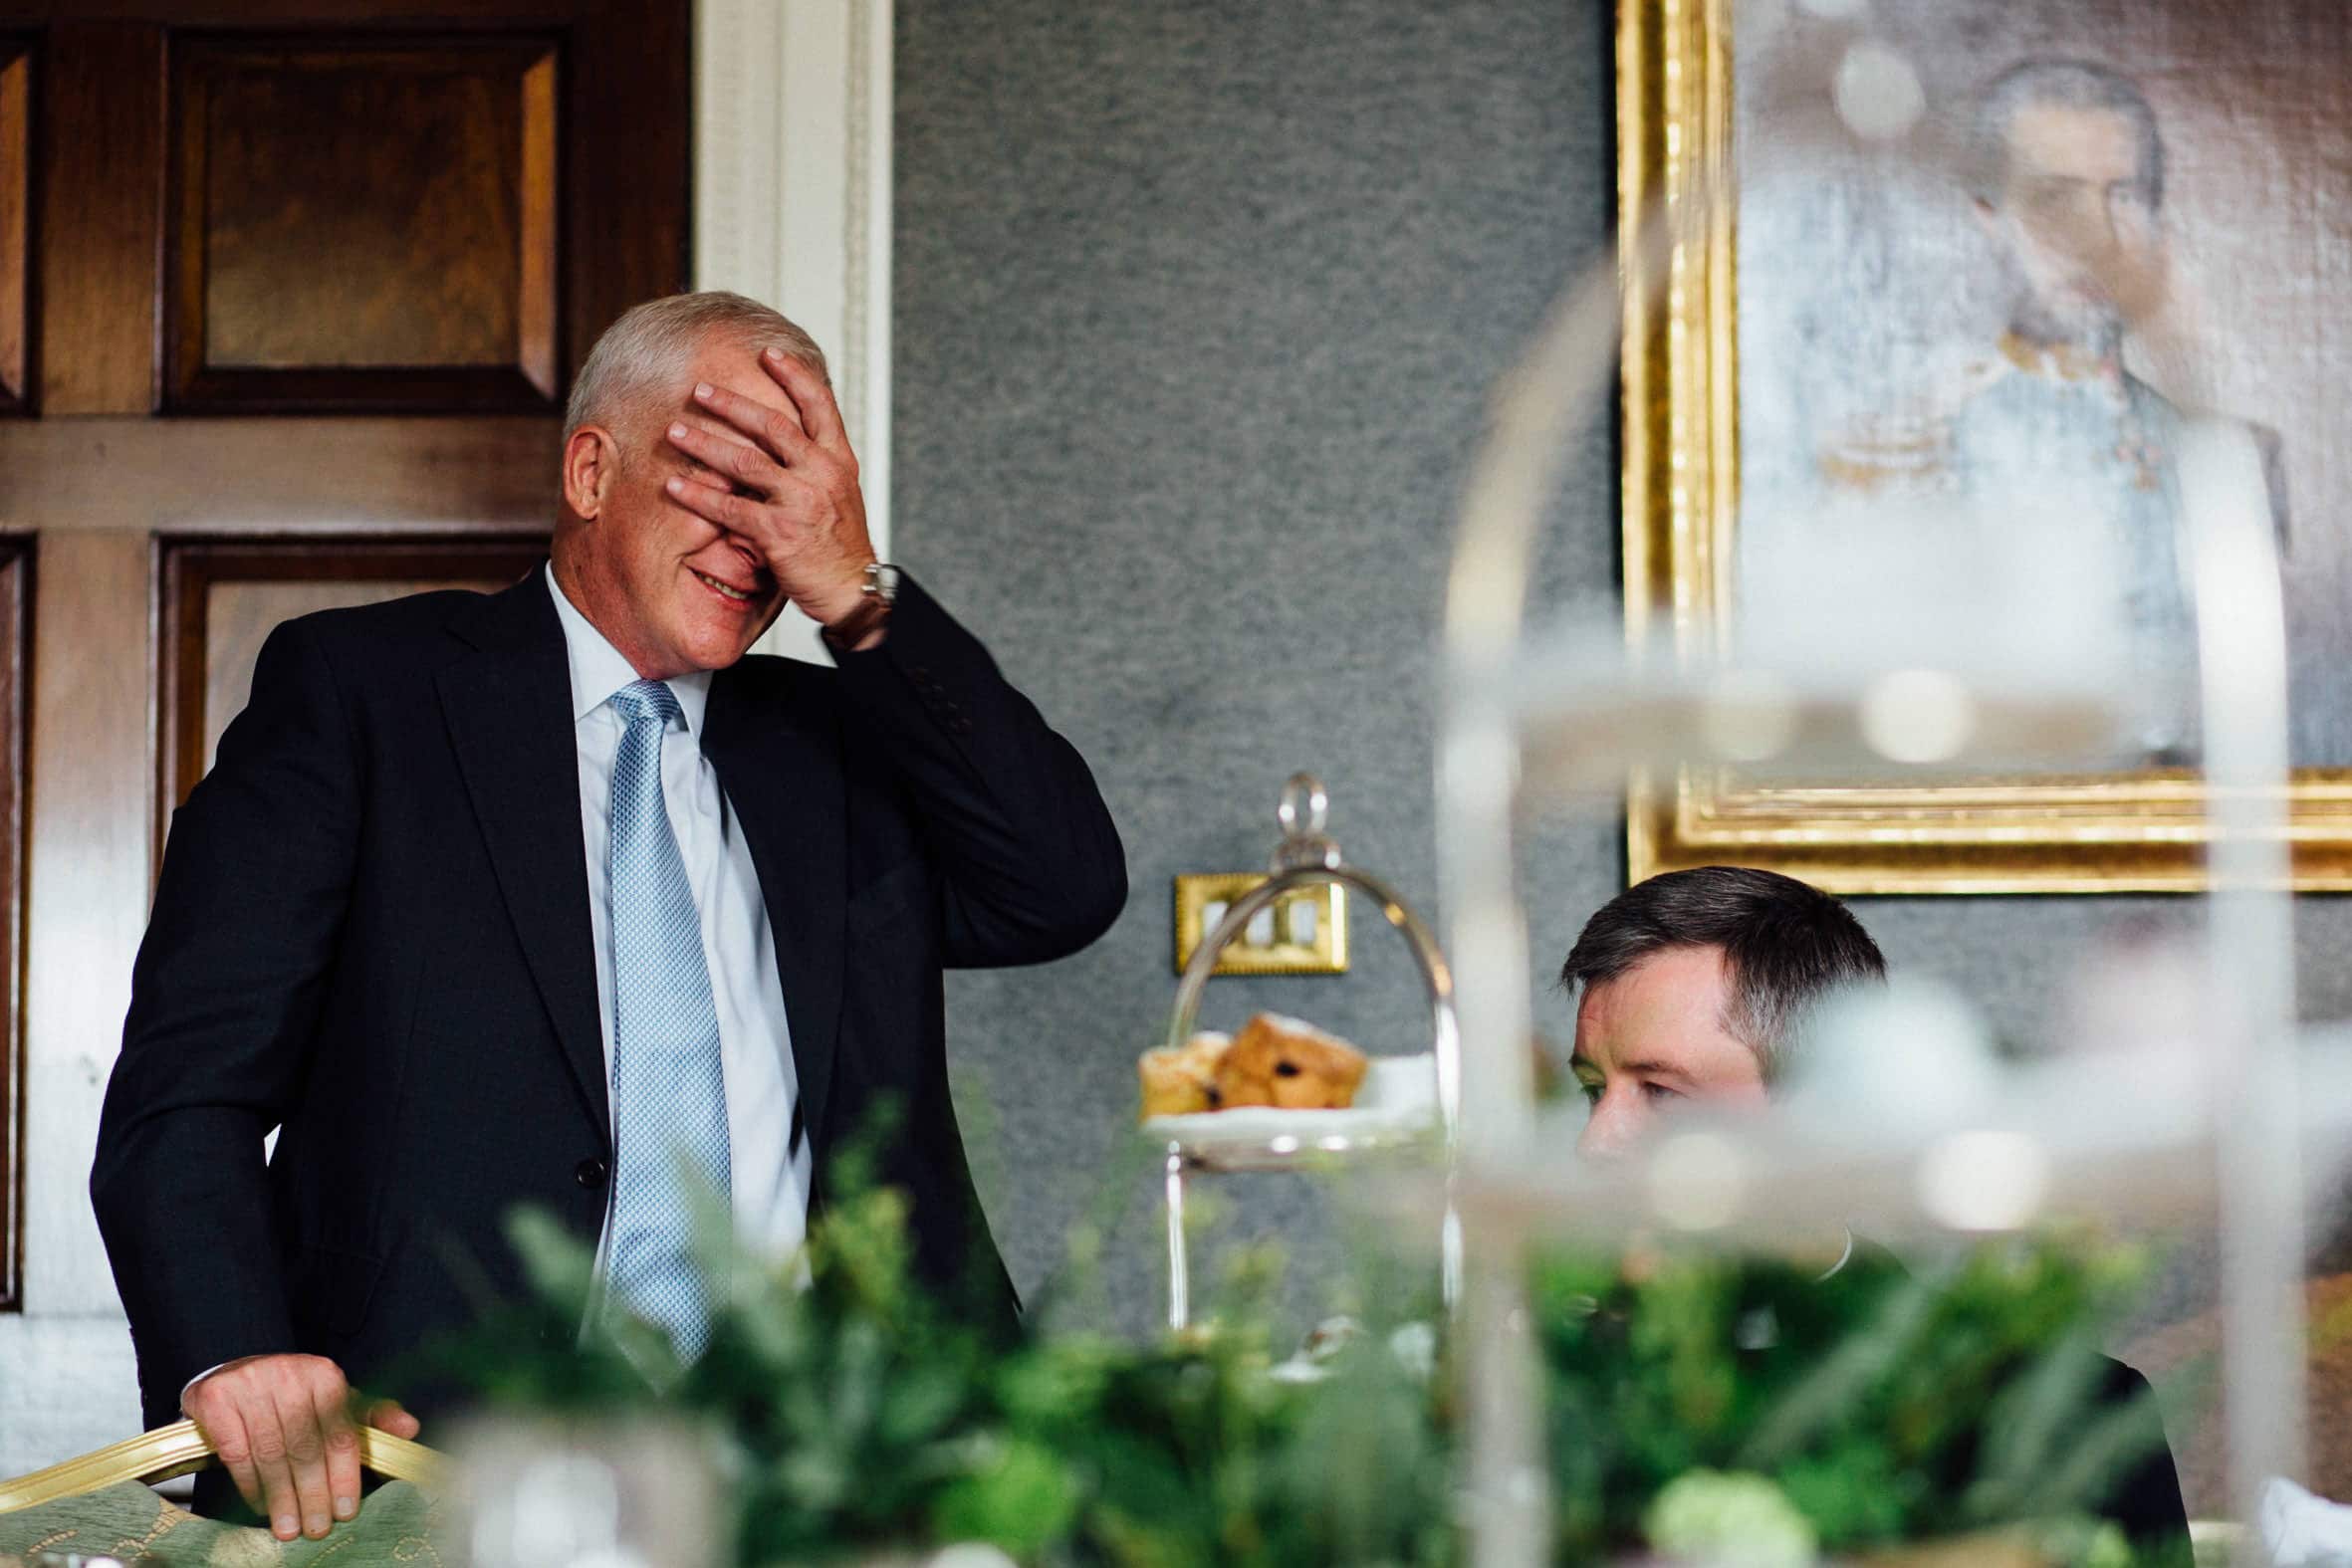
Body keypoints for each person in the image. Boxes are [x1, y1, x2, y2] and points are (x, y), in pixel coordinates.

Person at [90, 291, 1127, 1540]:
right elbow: (186, 1090)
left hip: (839, 1488)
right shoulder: (364, 697)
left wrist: (859, 596)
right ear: (593, 472)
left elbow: (1061, 887)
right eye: (731, 480)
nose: (762, 538)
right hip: (439, 1480)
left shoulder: (842, 745)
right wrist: (236, 1352)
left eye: (797, 496)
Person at [1559, 865, 2190, 1553]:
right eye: (1594, 1091)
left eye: (1661, 1093)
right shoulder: (1542, 1393)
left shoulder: (2073, 1423)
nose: (1595, 1145)